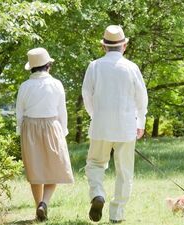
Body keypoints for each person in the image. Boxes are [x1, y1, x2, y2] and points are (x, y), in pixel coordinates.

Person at [82, 25, 148, 223]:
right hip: (126, 126)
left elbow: (87, 95)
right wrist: (141, 121)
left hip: (100, 125)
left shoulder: (94, 66)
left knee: (95, 163)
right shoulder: (132, 67)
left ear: (104, 47)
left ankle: (97, 194)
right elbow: (141, 98)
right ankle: (117, 214)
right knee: (124, 171)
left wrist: (96, 115)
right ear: (124, 46)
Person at [16, 47, 74, 221]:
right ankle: (45, 203)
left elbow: (19, 112)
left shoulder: (25, 86)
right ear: (48, 65)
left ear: (32, 67)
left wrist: (21, 132)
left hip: (30, 127)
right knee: (54, 168)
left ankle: (37, 206)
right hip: (51, 125)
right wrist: (63, 132)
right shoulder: (56, 84)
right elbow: (62, 110)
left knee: (35, 170)